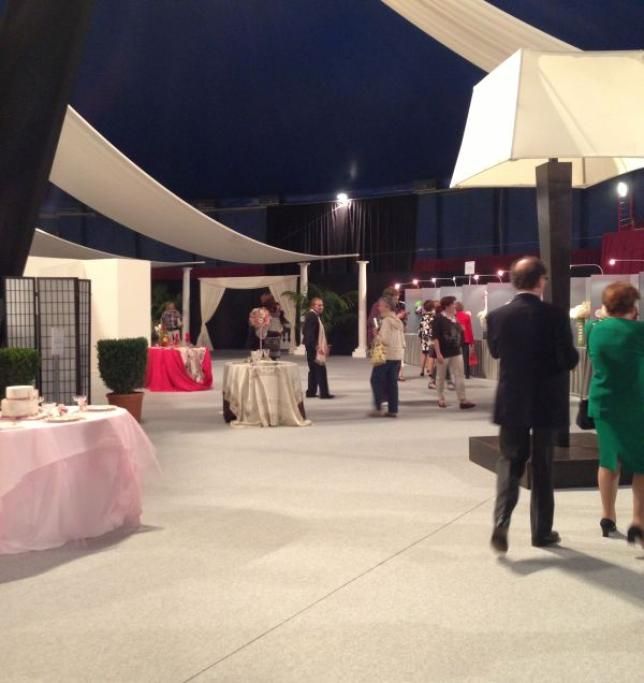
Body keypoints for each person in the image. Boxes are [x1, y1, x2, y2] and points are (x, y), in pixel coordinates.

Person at [487, 257, 578, 553]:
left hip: (512, 399)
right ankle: (541, 532)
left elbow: (496, 352)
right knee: (543, 466)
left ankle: (502, 521)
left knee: (509, 462)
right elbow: (569, 358)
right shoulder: (555, 315)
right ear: (540, 281)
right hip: (547, 401)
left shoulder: (497, 316)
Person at [587, 282, 644, 546]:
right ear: (632, 306)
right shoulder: (639, 331)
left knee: (609, 460)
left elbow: (599, 321)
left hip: (604, 403)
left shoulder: (593, 329)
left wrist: (603, 315)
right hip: (637, 403)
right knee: (642, 464)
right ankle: (639, 521)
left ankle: (607, 516)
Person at [432, 296, 476, 409]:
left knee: (459, 375)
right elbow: (435, 337)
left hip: (456, 351)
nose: (454, 306)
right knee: (441, 376)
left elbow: (459, 331)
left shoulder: (454, 318)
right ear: (447, 306)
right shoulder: (438, 318)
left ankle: (462, 399)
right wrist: (438, 353)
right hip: (443, 352)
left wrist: (461, 329)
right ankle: (441, 398)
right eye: (453, 304)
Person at [370, 296, 405, 417]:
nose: (378, 308)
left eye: (380, 305)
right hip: (397, 356)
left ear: (387, 307)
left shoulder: (386, 321)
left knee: (375, 380)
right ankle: (393, 409)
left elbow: (384, 340)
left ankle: (378, 407)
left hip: (386, 356)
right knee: (392, 383)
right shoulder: (398, 321)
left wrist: (376, 334)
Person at [303, 297, 334, 399]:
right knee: (320, 369)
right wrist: (316, 346)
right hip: (314, 348)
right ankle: (324, 393)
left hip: (311, 346)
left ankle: (311, 392)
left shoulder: (313, 316)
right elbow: (309, 334)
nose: (321, 307)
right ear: (313, 306)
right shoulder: (312, 316)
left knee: (313, 370)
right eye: (319, 305)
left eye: (322, 305)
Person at [455, 301, 474, 379]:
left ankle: (456, 373)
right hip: (465, 338)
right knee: (466, 357)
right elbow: (469, 329)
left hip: (455, 338)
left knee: (455, 356)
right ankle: (467, 374)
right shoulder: (467, 316)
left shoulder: (453, 316)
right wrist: (472, 341)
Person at [418, 300, 435, 377]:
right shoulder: (433, 316)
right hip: (431, 337)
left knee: (424, 353)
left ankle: (422, 370)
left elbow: (420, 328)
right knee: (430, 354)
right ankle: (429, 369)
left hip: (424, 336)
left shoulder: (423, 317)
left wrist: (420, 337)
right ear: (432, 307)